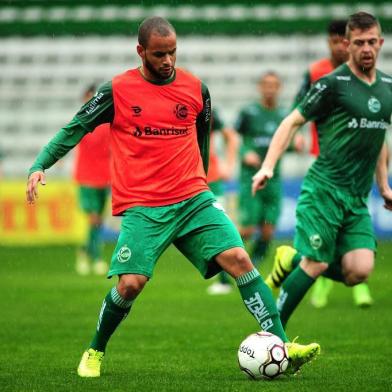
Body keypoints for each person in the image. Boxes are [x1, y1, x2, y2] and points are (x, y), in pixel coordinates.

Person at [26, 17, 320, 378]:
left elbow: (203, 141)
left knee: (240, 259)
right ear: (141, 52)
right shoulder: (116, 91)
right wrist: (41, 164)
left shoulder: (197, 89)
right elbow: (75, 127)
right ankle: (94, 350)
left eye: (173, 53)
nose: (168, 61)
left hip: (193, 197)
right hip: (144, 206)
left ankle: (283, 347)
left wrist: (203, 183)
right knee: (130, 284)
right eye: (159, 54)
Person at [252, 12, 392, 329]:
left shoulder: (387, 87)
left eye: (372, 41)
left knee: (359, 271)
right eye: (359, 43)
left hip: (357, 198)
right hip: (324, 190)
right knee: (317, 263)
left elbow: (379, 137)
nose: (367, 48)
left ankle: (292, 258)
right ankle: (272, 333)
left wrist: (383, 186)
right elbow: (291, 121)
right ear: (347, 44)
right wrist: (268, 167)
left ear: (381, 42)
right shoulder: (331, 84)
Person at [291, 19, 373, 309]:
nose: (340, 45)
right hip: (324, 159)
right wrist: (298, 137)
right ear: (329, 42)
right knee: (327, 234)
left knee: (353, 233)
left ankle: (359, 287)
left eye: (344, 40)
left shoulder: (367, 75)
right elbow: (297, 108)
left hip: (359, 165)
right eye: (335, 40)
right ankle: (323, 286)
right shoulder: (316, 73)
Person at [73, 84, 111, 276]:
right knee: (94, 219)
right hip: (86, 178)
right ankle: (94, 258)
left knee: (98, 221)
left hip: (104, 178)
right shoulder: (81, 121)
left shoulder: (106, 124)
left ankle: (85, 252)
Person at [206, 108, 239, 295]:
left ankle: (225, 280)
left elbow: (232, 137)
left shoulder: (206, 109)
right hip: (185, 180)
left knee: (217, 231)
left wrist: (228, 164)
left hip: (211, 179)